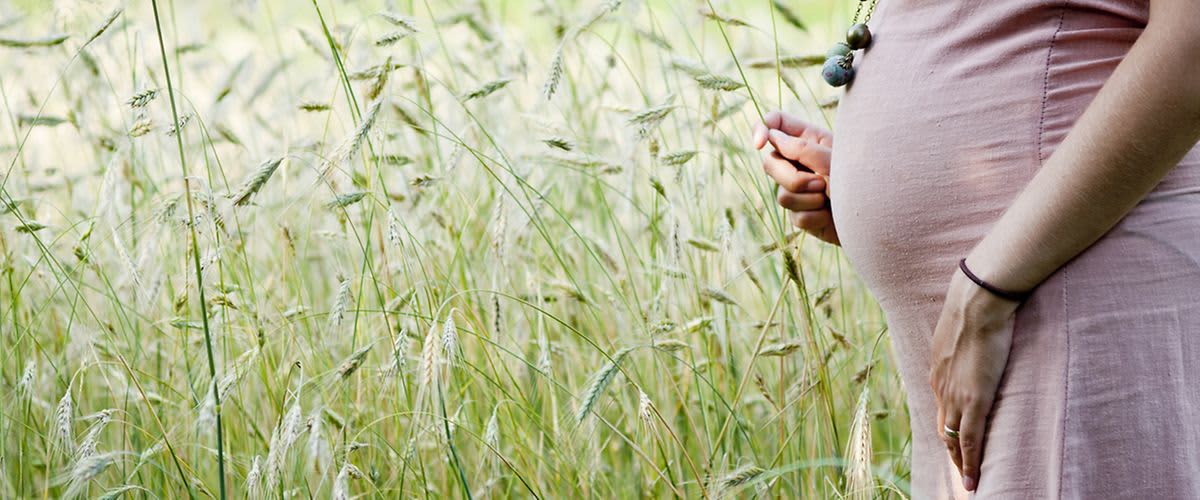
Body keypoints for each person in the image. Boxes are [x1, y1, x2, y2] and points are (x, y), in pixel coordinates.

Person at [752, 0, 1200, 498]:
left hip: (1058, 298)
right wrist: (875, 184)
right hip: (991, 314)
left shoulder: (993, 298)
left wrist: (986, 288)